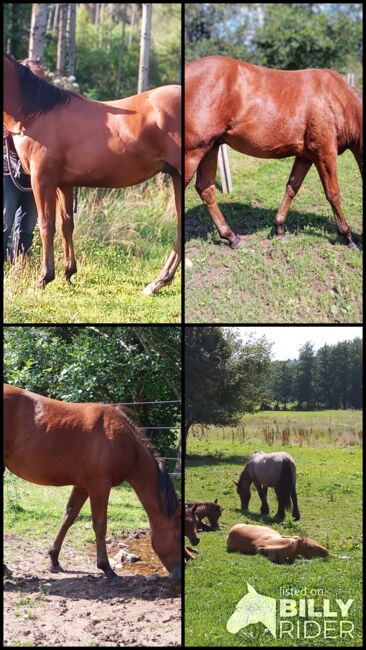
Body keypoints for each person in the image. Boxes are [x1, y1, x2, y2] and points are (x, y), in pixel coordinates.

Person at [3, 58, 45, 263]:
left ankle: (18, 264)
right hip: (7, 173)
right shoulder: (9, 106)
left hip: (34, 176)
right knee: (4, 223)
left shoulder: (45, 110)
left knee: (28, 225)